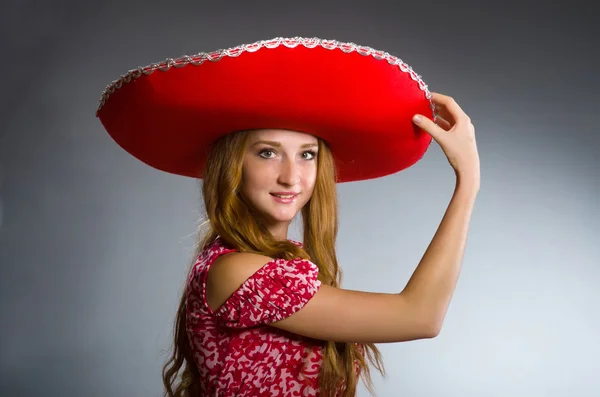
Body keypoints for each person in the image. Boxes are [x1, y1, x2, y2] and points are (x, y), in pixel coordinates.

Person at [96, 37, 480, 397]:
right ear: (233, 165)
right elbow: (420, 317)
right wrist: (468, 182)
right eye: (267, 152)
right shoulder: (237, 270)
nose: (290, 176)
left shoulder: (280, 261)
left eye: (307, 154)